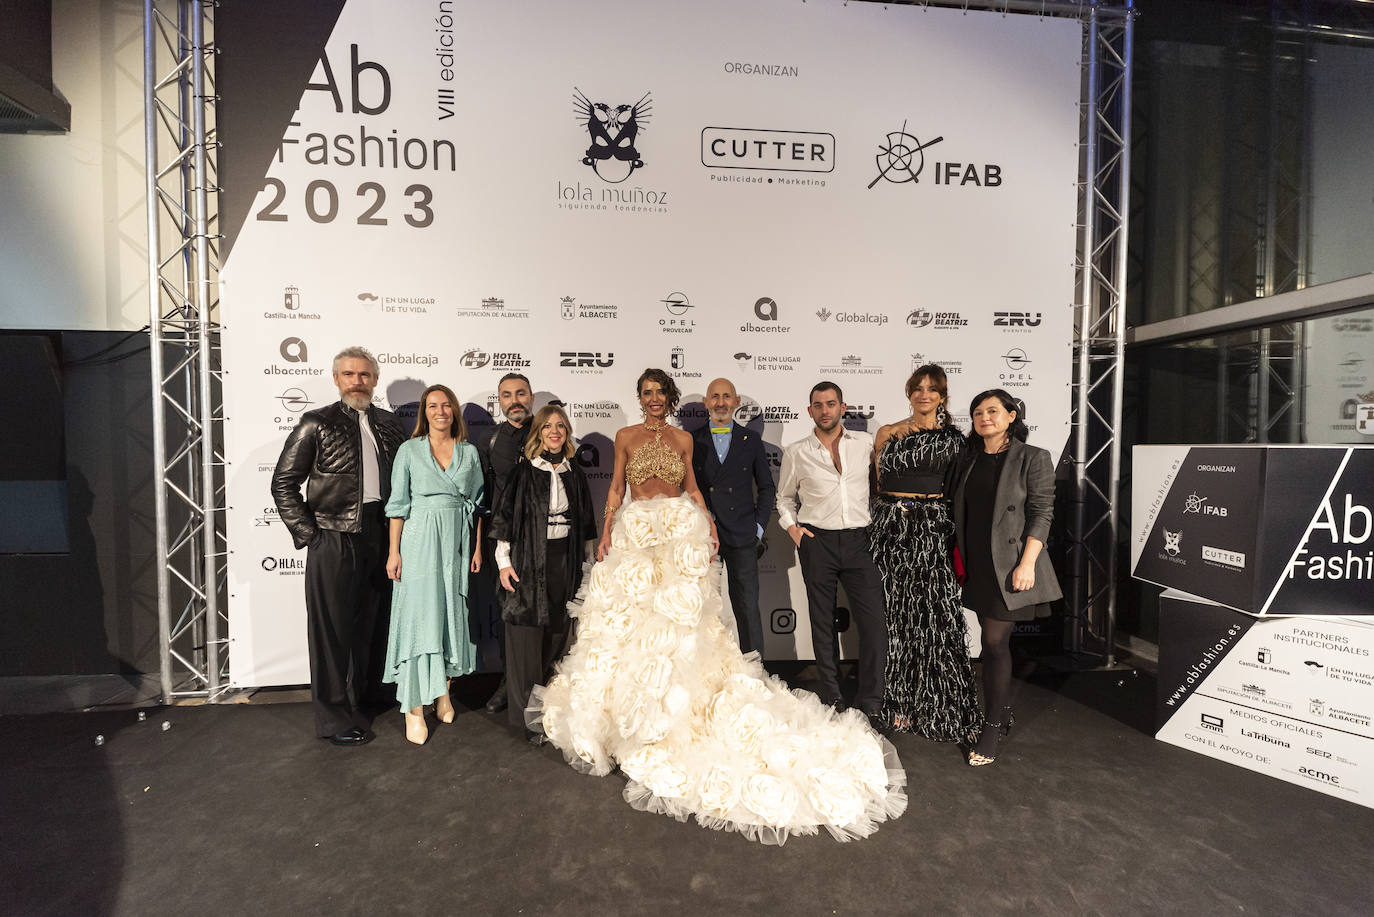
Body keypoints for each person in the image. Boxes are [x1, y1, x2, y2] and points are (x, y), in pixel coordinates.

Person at [530, 369, 906, 845]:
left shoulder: (684, 440)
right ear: (640, 398)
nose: (652, 400)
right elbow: (615, 489)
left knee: (683, 622)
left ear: (668, 398)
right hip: (635, 533)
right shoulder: (624, 436)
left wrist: (706, 523)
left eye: (659, 393)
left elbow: (692, 488)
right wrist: (606, 530)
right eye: (645, 393)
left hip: (679, 534)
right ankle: (623, 715)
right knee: (629, 622)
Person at [271, 346, 406, 746]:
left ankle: (367, 699)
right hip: (332, 535)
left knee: (374, 623)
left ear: (375, 380)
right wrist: (311, 534)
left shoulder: (389, 424)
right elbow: (283, 483)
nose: (356, 382)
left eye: (364, 375)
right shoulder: (317, 422)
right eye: (348, 374)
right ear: (336, 379)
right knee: (331, 632)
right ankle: (332, 718)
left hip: (381, 533)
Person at [951, 389, 1063, 766]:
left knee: (995, 642)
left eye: (993, 411)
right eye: (978, 412)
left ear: (1012, 416)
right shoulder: (969, 459)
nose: (985, 417)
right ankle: (998, 713)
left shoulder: (1033, 457)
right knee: (989, 637)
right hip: (978, 564)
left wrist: (1027, 563)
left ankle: (993, 725)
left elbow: (1042, 512)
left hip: (1012, 564)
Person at [871, 365, 981, 741]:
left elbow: (961, 494)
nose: (924, 394)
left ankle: (935, 702)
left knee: (934, 619)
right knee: (897, 617)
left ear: (942, 396)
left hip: (934, 533)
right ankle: (899, 700)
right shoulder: (887, 433)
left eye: (932, 389)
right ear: (908, 393)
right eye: (918, 388)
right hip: (892, 533)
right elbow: (879, 484)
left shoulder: (955, 441)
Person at [776, 381, 889, 729]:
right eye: (818, 405)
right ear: (809, 411)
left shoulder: (866, 445)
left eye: (831, 403)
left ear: (843, 407)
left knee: (875, 625)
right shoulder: (797, 452)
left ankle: (872, 700)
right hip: (818, 542)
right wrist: (794, 531)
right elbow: (783, 498)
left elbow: (881, 487)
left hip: (860, 540)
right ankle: (831, 695)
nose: (825, 410)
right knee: (821, 623)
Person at [383, 384, 484, 746]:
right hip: (420, 539)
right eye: (433, 406)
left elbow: (476, 504)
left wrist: (475, 548)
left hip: (456, 541)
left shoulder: (469, 452)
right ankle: (413, 708)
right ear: (424, 413)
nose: (440, 411)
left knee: (448, 617)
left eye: (446, 405)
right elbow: (397, 505)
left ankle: (443, 692)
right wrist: (394, 552)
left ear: (454, 410)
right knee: (420, 617)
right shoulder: (409, 451)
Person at [491, 405, 597, 745]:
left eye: (560, 426)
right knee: (524, 636)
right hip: (526, 558)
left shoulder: (573, 472)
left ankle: (549, 710)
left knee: (557, 631)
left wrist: (590, 561)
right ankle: (525, 718)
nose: (554, 431)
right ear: (538, 433)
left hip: (564, 557)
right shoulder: (523, 473)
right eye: (548, 426)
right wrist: (504, 562)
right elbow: (504, 520)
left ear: (566, 433)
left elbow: (587, 521)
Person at [691, 377, 776, 655]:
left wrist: (758, 529)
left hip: (742, 536)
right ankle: (709, 672)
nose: (720, 402)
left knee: (748, 607)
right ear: (706, 403)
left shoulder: (751, 440)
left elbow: (766, 488)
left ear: (737, 403)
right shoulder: (691, 440)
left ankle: (755, 672)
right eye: (714, 396)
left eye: (726, 396)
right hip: (705, 537)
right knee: (705, 607)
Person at [474, 373, 535, 715]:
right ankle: (508, 685)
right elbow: (482, 498)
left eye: (521, 393)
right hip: (505, 545)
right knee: (507, 615)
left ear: (532, 397)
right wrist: (480, 546)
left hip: (545, 541)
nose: (515, 400)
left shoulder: (550, 432)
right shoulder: (491, 439)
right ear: (499, 401)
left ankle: (542, 685)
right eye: (507, 395)